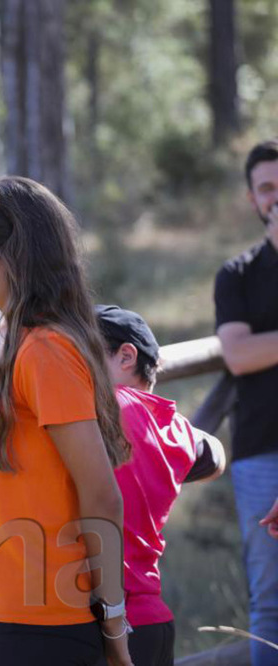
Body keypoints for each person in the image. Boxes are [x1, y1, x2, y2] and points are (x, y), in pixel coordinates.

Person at [0, 176, 133, 666]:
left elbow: (101, 494)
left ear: (14, 255)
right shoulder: (25, 346)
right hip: (13, 613)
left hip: (49, 621)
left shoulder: (46, 349)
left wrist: (114, 618)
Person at [96, 304, 226, 666]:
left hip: (107, 623)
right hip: (150, 617)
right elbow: (215, 456)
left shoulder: (108, 405)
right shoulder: (175, 426)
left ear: (126, 356)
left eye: (82, 354)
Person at [213, 138, 278, 666]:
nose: (276, 197)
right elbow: (238, 354)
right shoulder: (236, 274)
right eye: (266, 188)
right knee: (270, 598)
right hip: (262, 452)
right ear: (254, 198)